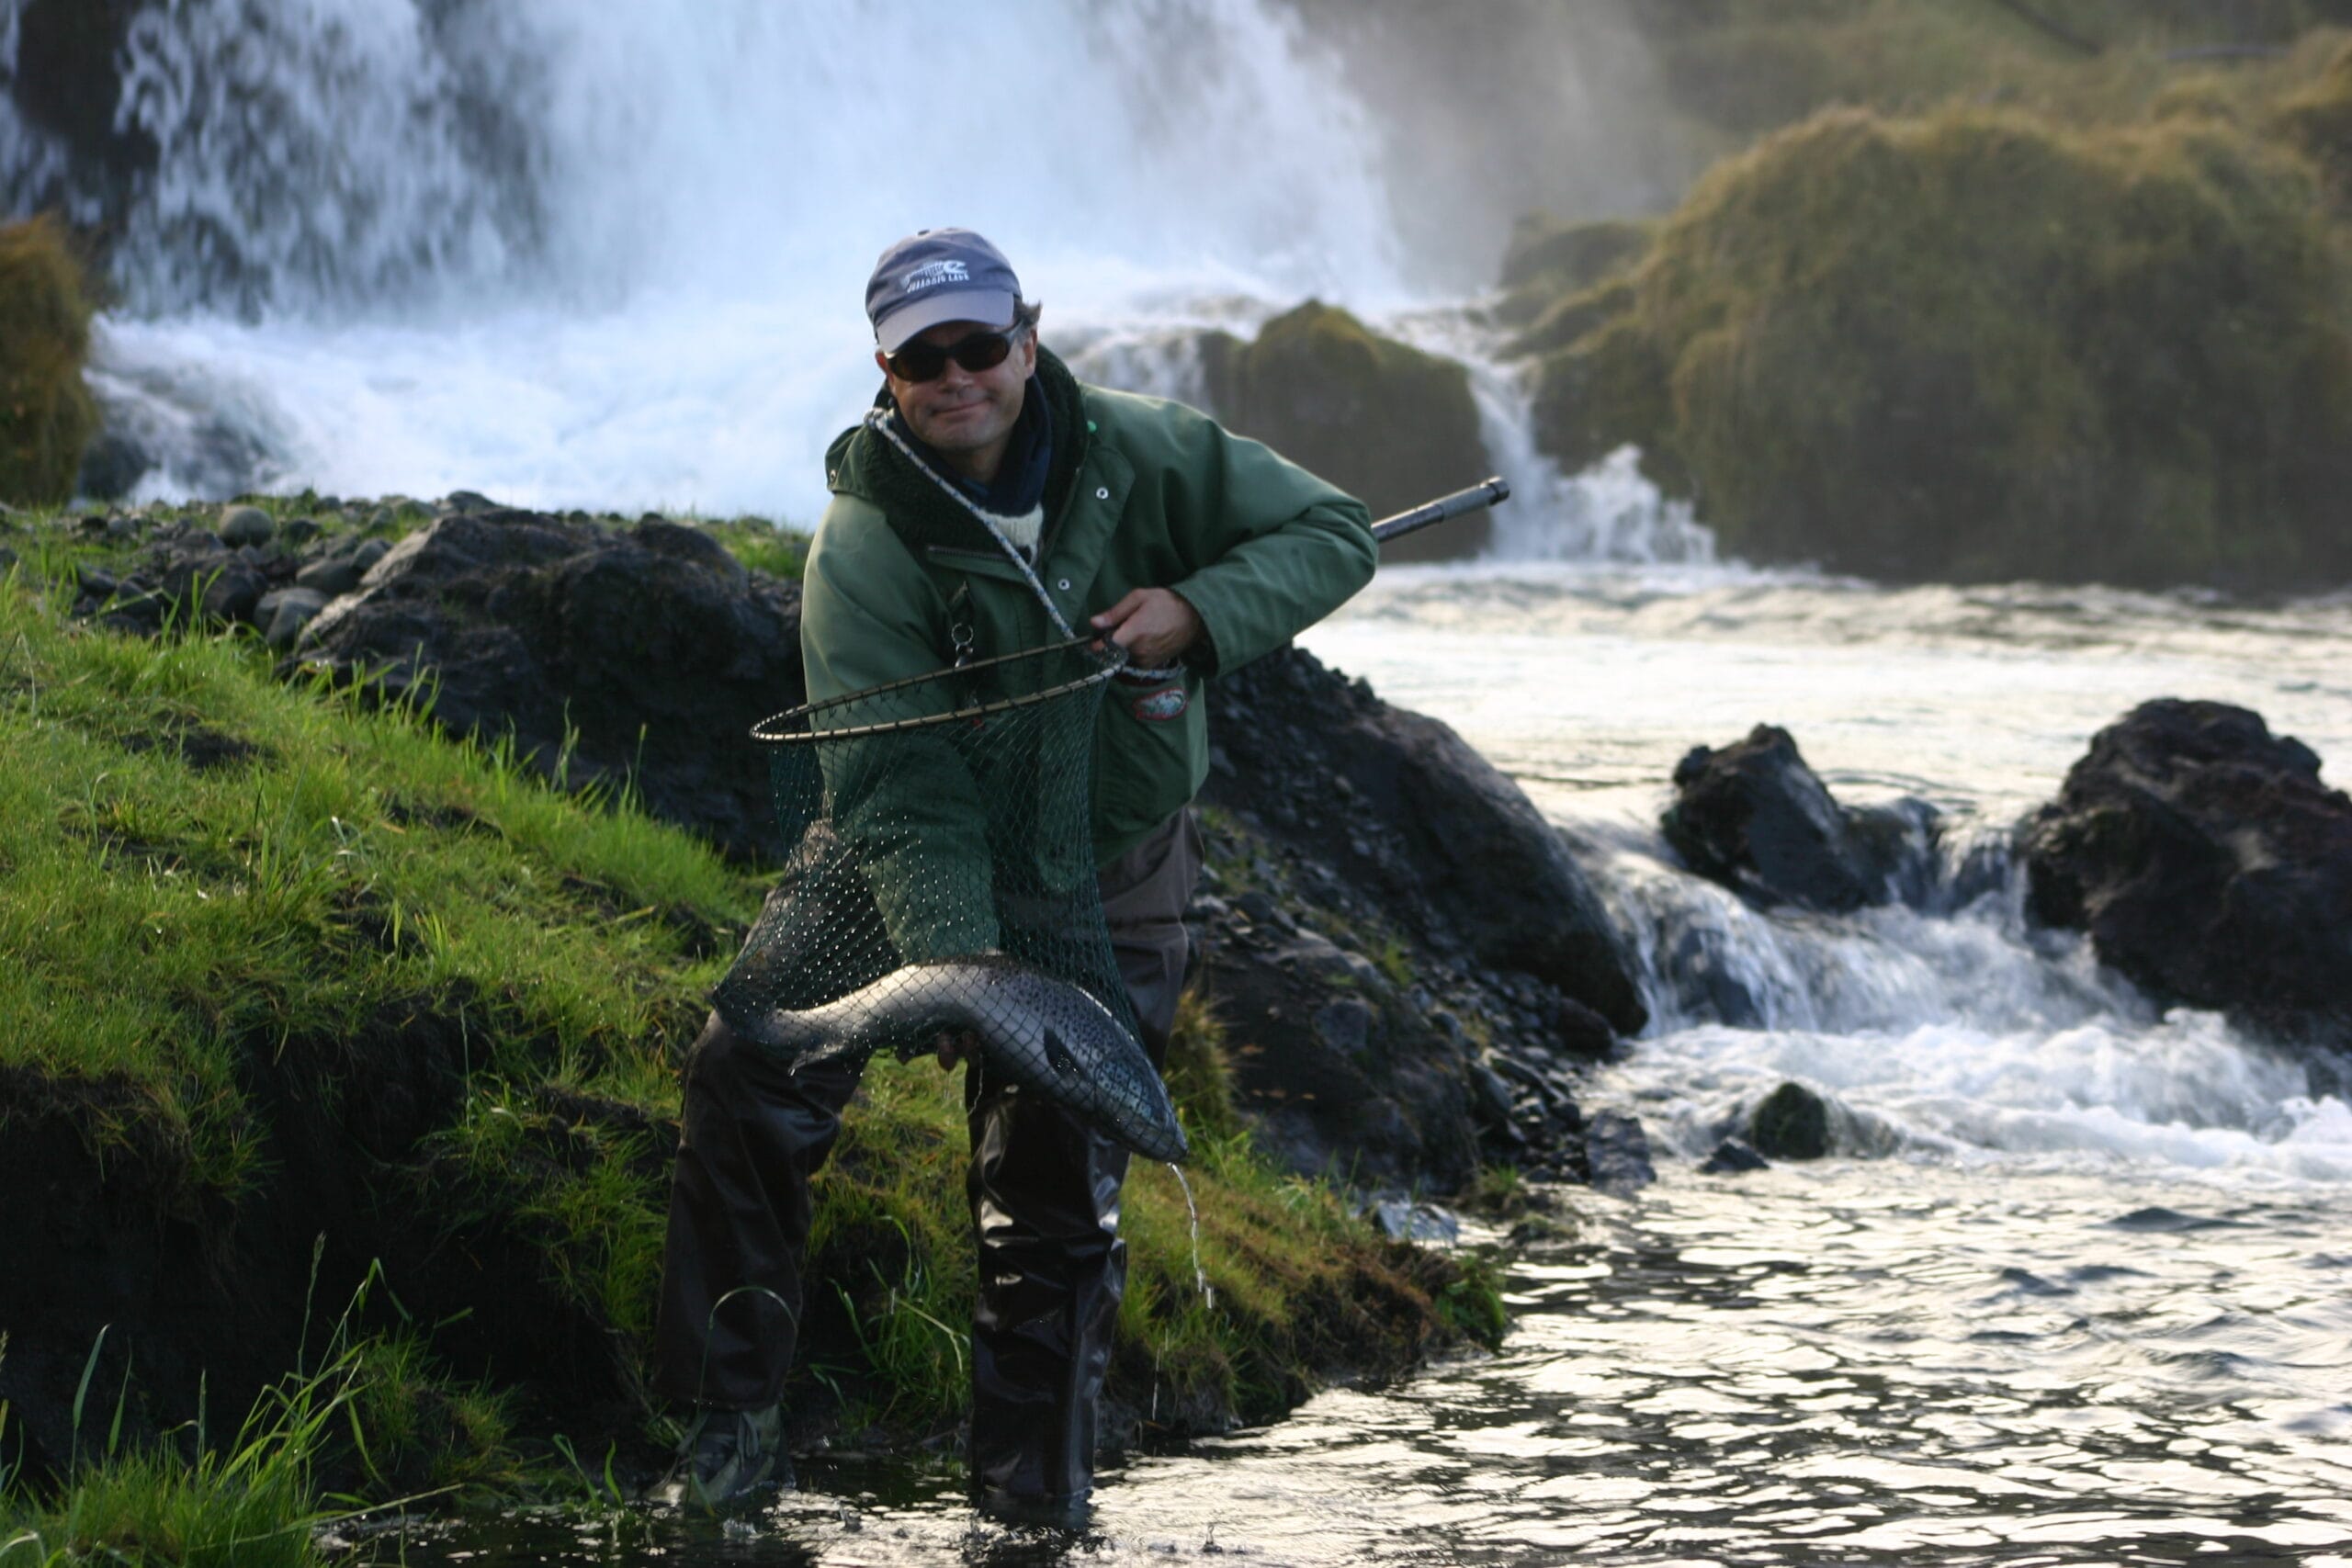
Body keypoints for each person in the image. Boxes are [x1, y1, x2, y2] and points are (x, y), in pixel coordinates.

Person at [650, 227, 1375, 1518]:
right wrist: (958, 969)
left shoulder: (1149, 450)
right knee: (747, 1074)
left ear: (1026, 341)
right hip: (907, 853)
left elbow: (1331, 532)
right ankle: (732, 1426)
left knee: (1053, 1189)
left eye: (978, 345)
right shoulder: (863, 545)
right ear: (887, 372)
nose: (956, 376)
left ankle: (1031, 1513)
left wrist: (1199, 614)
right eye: (922, 357)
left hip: (1112, 860)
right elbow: (899, 793)